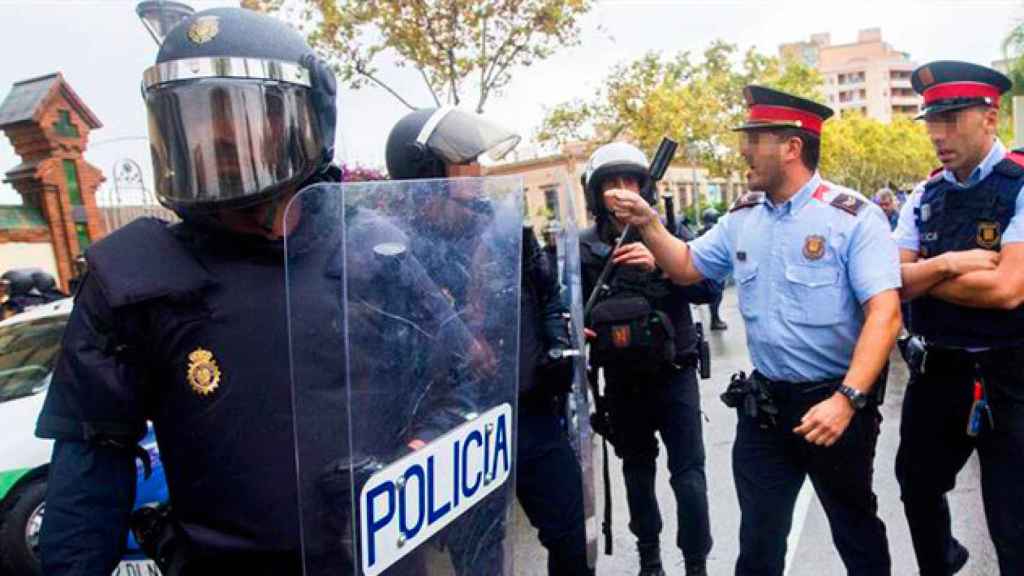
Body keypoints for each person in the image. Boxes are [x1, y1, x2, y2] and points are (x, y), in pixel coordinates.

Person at [35, 8, 348, 575]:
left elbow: (457, 384)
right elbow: (86, 482)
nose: (220, 139)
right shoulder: (135, 279)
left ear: (309, 122)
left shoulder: (375, 250)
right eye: (198, 120)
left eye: (241, 115)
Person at [606, 86, 901, 576]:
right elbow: (686, 266)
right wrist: (650, 224)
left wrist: (847, 400)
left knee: (856, 530)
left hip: (835, 405)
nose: (743, 149)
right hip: (765, 410)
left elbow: (885, 315)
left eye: (755, 138)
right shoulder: (742, 219)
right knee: (759, 542)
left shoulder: (852, 218)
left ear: (792, 147)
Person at [385, 107, 592, 576]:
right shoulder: (398, 247)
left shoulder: (506, 229)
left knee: (569, 531)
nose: (479, 172)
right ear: (426, 172)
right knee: (479, 556)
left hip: (531, 410)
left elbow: (547, 296)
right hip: (461, 425)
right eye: (466, 162)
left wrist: (558, 344)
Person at [893, 60, 1024, 576]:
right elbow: (890, 281)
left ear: (989, 118)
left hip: (1009, 372)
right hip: (938, 369)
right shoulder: (924, 196)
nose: (936, 135)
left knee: (1013, 515)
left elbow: (1008, 289)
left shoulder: (1018, 186)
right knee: (916, 485)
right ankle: (942, 564)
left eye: (951, 119)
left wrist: (923, 274)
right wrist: (949, 263)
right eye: (931, 121)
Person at [580, 141, 716, 576]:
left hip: (676, 373)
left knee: (689, 476)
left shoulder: (670, 236)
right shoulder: (582, 248)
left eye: (631, 181)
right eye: (612, 184)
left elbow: (706, 290)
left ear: (646, 187)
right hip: (621, 382)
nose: (623, 191)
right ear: (595, 193)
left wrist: (662, 262)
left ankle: (696, 564)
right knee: (637, 473)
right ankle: (650, 559)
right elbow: (564, 309)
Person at [698, 208, 728, 330]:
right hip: (715, 269)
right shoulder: (713, 229)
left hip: (706, 268)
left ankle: (715, 319)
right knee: (716, 295)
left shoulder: (701, 231)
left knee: (715, 295)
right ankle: (715, 320)